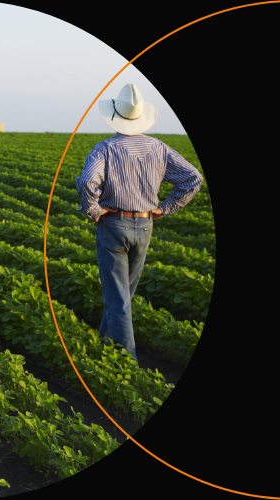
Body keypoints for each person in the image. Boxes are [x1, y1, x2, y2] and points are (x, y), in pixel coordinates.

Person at [74, 83, 203, 364]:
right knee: (123, 295)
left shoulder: (106, 148)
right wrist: (165, 208)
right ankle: (104, 345)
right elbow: (193, 178)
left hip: (114, 226)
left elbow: (86, 181)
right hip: (144, 227)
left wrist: (94, 210)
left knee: (118, 297)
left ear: (116, 116)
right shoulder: (159, 148)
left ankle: (126, 363)